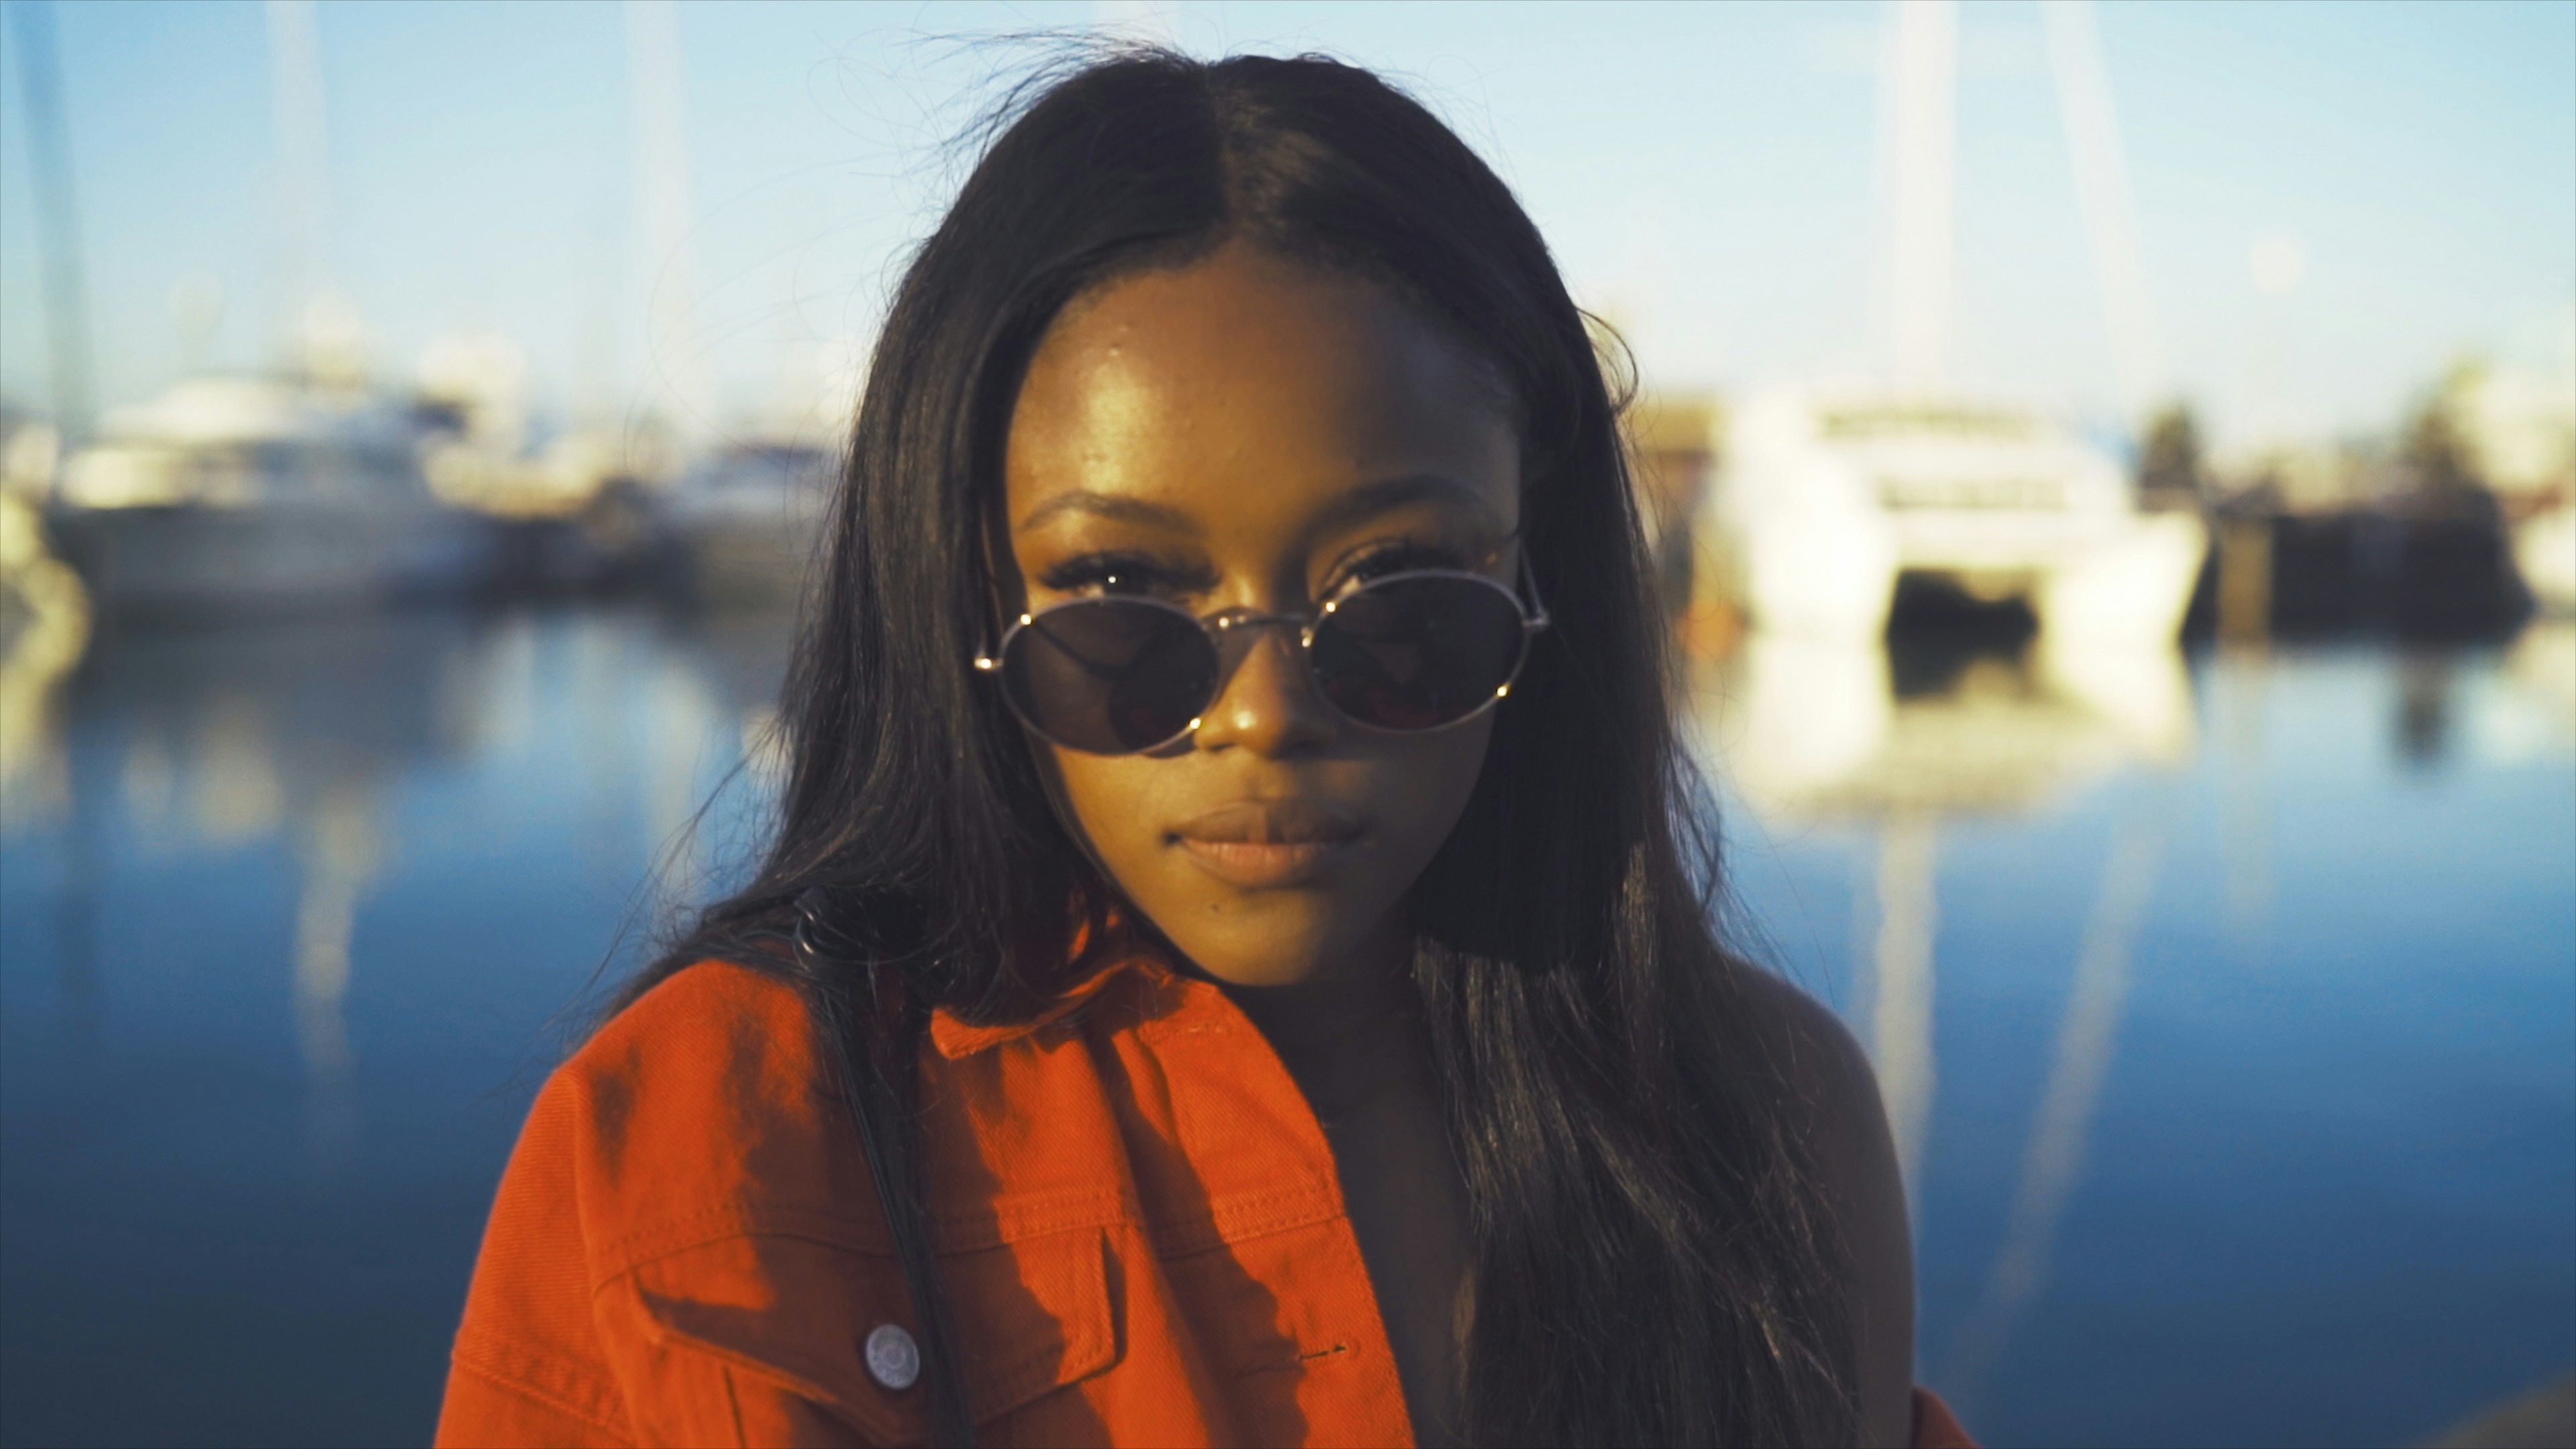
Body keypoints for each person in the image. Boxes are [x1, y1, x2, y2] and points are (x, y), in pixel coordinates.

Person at [436, 48, 1973, 1449]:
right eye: (1120, 603)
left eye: (1399, 599)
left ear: (1537, 585)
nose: (1260, 718)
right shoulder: (706, 1142)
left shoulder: (1768, 1122)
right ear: (973, 591)